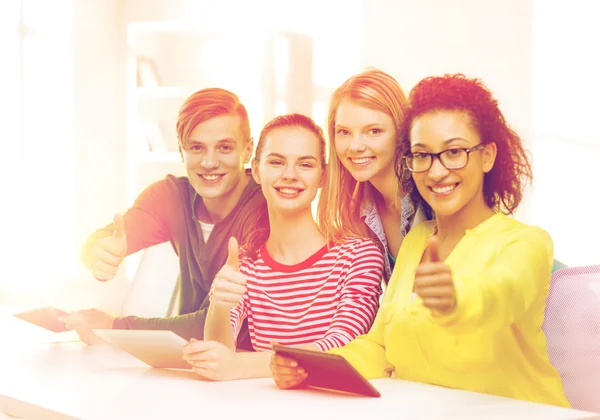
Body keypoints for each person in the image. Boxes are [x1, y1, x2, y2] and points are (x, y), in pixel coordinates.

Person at [271, 74, 570, 407]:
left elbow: (499, 297)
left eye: (454, 152)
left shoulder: (528, 243)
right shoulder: (416, 240)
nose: (437, 171)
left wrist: (456, 300)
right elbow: (380, 347)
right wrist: (310, 367)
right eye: (422, 155)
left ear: (487, 156)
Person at [182, 114, 384, 380]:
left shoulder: (359, 255)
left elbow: (343, 345)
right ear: (256, 170)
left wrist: (240, 365)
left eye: (305, 164)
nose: (290, 175)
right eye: (276, 162)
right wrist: (219, 305)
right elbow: (220, 354)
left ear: (322, 175)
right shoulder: (244, 265)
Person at [61, 88, 266, 350]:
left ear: (247, 151)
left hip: (246, 375)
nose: (209, 162)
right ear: (181, 151)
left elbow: (212, 326)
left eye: (225, 147)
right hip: (186, 367)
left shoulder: (265, 209)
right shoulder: (171, 197)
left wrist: (115, 328)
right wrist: (96, 252)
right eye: (196, 147)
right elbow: (108, 236)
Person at [317, 68, 431, 282]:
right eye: (344, 132)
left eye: (374, 131)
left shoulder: (432, 196)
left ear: (401, 131)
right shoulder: (355, 213)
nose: (355, 146)